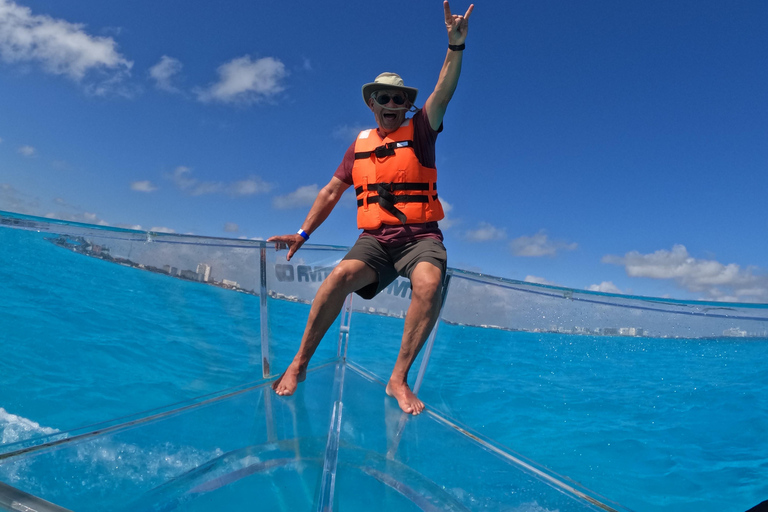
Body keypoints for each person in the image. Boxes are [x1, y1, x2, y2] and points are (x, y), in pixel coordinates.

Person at [268, 1, 474, 415]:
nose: (393, 103)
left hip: (421, 238)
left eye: (400, 98)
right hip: (376, 240)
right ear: (373, 103)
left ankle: (397, 379)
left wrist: (455, 47)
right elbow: (330, 192)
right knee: (338, 276)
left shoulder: (422, 129)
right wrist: (303, 233)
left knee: (429, 285)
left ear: (406, 104)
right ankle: (300, 363)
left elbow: (443, 91)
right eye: (385, 97)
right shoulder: (358, 146)